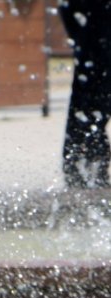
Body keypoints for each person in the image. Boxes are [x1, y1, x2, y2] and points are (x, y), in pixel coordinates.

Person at [59, 0, 111, 188]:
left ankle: (83, 160)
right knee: (89, 99)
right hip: (94, 38)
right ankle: (83, 160)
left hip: (93, 37)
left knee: (90, 99)